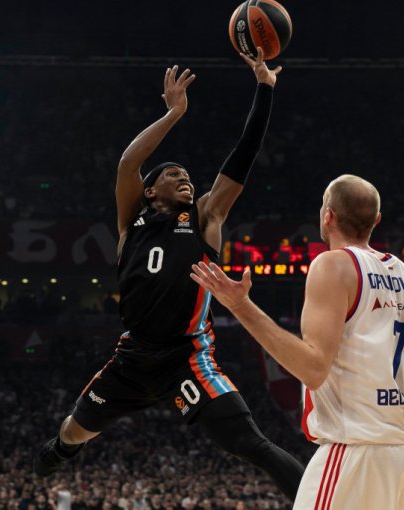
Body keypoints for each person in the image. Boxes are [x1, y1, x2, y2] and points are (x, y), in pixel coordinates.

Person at [33, 47, 305, 500]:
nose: (185, 179)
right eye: (173, 174)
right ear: (150, 190)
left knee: (249, 443)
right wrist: (174, 114)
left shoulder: (204, 216)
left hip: (187, 357)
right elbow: (127, 165)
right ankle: (62, 449)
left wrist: (264, 88)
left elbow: (243, 155)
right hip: (133, 357)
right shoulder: (130, 223)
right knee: (74, 431)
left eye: (188, 176)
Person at [191, 174, 404, 509]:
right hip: (403, 454)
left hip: (354, 448)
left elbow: (313, 369)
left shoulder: (333, 265)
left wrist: (241, 306)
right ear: (376, 221)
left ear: (328, 216)